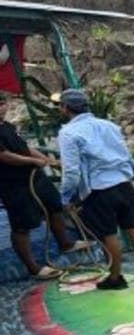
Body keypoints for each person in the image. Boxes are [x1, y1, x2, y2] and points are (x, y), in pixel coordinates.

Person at [55, 89, 134, 290]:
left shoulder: (67, 133)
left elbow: (71, 171)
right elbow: (126, 155)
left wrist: (66, 197)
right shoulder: (109, 125)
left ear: (66, 108)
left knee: (108, 234)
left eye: (60, 106)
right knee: (133, 226)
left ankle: (115, 278)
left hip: (99, 190)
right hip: (122, 183)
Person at [0, 91, 89, 279]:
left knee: (55, 206)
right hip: (12, 183)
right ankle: (34, 267)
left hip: (35, 177)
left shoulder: (7, 126)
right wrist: (31, 162)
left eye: (2, 104)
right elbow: (4, 156)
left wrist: (47, 160)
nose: (1, 109)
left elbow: (25, 147)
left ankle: (65, 243)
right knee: (22, 225)